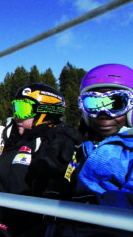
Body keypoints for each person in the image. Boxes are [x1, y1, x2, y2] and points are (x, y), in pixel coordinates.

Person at [0, 83, 84, 237]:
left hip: (27, 227)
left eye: (23, 109)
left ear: (45, 111)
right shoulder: (4, 139)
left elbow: (58, 188)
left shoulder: (57, 141)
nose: (17, 115)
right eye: (16, 108)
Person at [52, 64, 133, 237]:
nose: (103, 113)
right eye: (93, 104)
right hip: (69, 228)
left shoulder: (129, 149)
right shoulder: (82, 144)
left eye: (116, 103)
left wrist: (93, 203)